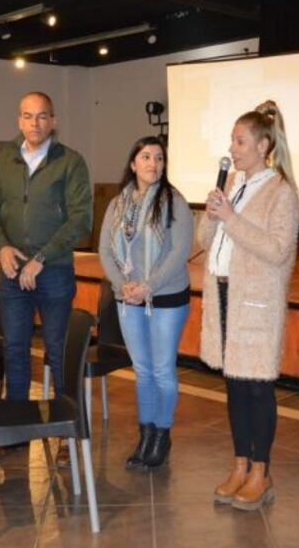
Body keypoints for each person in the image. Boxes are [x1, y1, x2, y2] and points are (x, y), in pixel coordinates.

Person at [199, 100, 299, 511]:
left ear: (263, 145)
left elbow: (277, 251)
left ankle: (262, 470)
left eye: (240, 141)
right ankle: (240, 464)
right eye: (232, 141)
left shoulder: (282, 192)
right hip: (224, 296)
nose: (233, 148)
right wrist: (212, 213)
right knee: (235, 387)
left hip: (256, 302)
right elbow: (206, 243)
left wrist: (231, 218)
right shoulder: (233, 187)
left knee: (258, 388)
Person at [0, 91, 92, 400]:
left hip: (53, 272)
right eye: (28, 116)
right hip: (12, 273)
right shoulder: (5, 159)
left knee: (58, 352)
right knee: (14, 349)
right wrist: (1, 247)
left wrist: (41, 257)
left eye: (42, 115)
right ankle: (17, 424)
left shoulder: (71, 162)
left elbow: (81, 220)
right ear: (19, 120)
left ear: (53, 121)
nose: (35, 122)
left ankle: (66, 431)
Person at [98, 136, 193, 470]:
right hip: (129, 298)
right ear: (133, 163)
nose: (154, 163)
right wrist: (122, 286)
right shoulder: (118, 203)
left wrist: (148, 285)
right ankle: (146, 435)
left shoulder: (174, 201)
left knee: (162, 370)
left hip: (165, 297)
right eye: (146, 156)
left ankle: (161, 436)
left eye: (160, 158)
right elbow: (105, 251)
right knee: (142, 371)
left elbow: (180, 252)